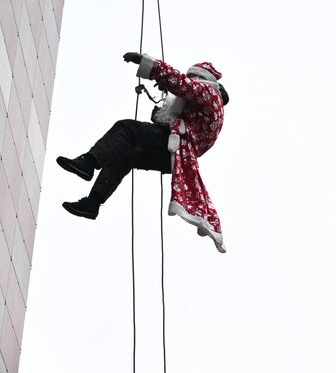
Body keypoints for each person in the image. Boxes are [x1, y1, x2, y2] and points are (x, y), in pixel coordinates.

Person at [58, 52, 228, 250]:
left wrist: (150, 65)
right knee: (124, 154)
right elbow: (172, 115)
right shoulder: (202, 106)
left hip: (174, 147)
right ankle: (93, 203)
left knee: (125, 128)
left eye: (193, 79)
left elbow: (182, 84)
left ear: (201, 79)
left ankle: (89, 162)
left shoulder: (209, 93)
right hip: (172, 155)